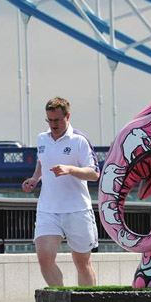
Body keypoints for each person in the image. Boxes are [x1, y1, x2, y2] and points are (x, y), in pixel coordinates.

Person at [22, 97, 99, 286]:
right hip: (48, 209)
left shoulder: (79, 141)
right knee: (44, 258)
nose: (53, 125)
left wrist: (70, 169)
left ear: (67, 116)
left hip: (77, 209)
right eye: (50, 120)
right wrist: (34, 178)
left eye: (57, 120)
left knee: (82, 262)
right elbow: (42, 162)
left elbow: (94, 173)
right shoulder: (42, 138)